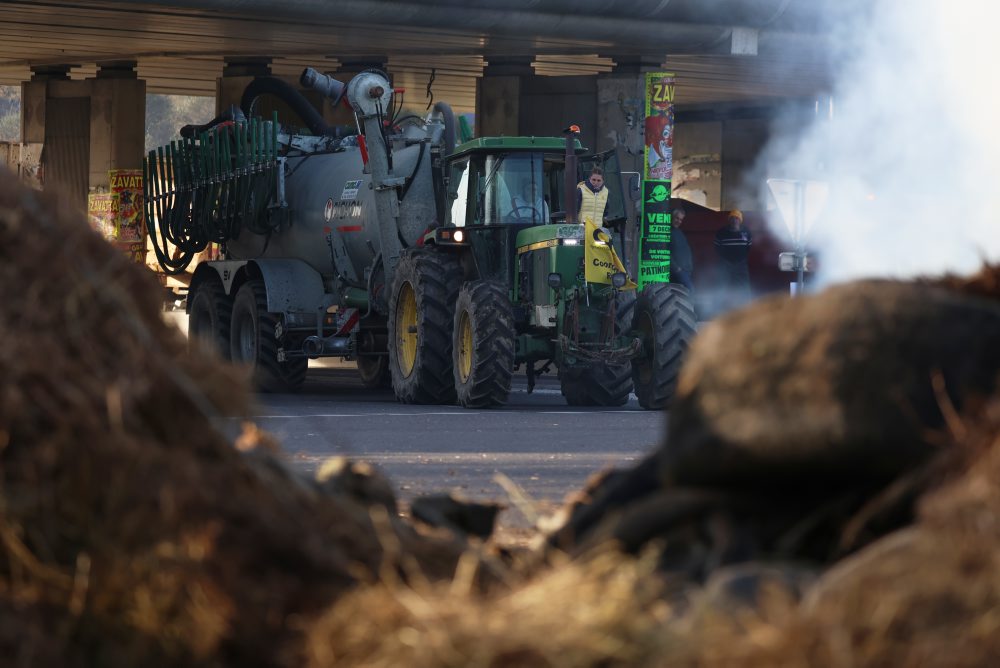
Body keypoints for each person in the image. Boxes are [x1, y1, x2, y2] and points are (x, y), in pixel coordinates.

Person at [714, 209, 753, 308]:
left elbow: (749, 248)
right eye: (732, 218)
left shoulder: (746, 232)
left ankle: (746, 308)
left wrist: (741, 259)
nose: (734, 220)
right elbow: (717, 248)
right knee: (722, 286)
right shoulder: (721, 232)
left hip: (741, 265)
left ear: (740, 220)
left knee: (744, 287)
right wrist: (725, 260)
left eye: (736, 218)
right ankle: (720, 309)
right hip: (725, 264)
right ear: (729, 220)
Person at [669, 206, 694, 291]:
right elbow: (665, 252)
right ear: (672, 217)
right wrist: (676, 268)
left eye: (681, 219)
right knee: (690, 291)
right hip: (677, 271)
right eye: (677, 218)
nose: (679, 221)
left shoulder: (679, 232)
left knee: (682, 294)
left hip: (686, 271)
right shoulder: (667, 232)